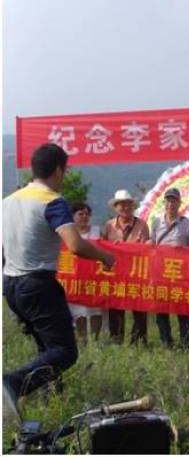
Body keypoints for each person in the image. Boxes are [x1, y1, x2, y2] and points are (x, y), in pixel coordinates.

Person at [3, 143, 115, 421]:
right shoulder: (52, 201)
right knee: (65, 351)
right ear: (58, 170)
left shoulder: (8, 201)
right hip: (38, 284)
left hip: (11, 285)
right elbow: (75, 244)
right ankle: (12, 384)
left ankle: (52, 399)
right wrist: (104, 256)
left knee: (47, 346)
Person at [150, 188, 189, 350]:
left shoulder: (187, 224)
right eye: (168, 200)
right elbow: (151, 245)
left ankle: (186, 343)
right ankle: (166, 342)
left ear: (179, 203)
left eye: (174, 201)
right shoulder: (156, 222)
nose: (171, 204)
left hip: (180, 273)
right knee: (161, 309)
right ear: (164, 203)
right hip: (160, 272)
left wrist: (183, 250)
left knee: (182, 309)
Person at [102, 189, 150, 345]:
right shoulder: (109, 226)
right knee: (116, 308)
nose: (125, 207)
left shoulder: (142, 225)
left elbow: (146, 248)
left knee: (139, 309)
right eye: (121, 205)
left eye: (128, 204)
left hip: (136, 274)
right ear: (116, 207)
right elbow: (102, 247)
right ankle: (116, 339)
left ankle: (138, 342)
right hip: (116, 274)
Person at [68, 202, 104, 343]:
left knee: (96, 310)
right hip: (75, 279)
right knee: (79, 312)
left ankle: (95, 339)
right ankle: (82, 339)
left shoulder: (97, 231)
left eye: (86, 214)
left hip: (94, 278)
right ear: (73, 216)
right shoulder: (69, 233)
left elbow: (105, 249)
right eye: (80, 214)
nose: (84, 217)